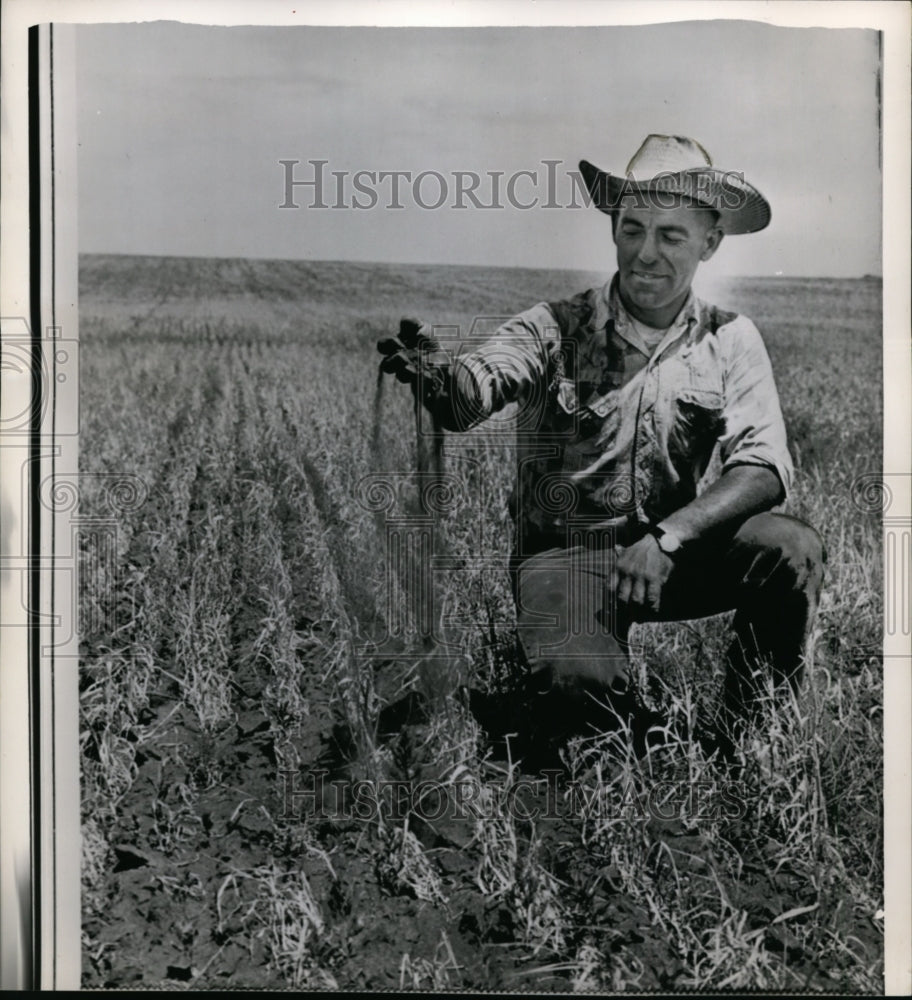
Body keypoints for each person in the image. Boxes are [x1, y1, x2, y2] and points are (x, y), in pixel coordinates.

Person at [377, 134, 825, 756]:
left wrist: (669, 538)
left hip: (671, 554)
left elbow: (764, 467)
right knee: (580, 701)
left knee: (789, 547)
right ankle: (619, 720)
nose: (646, 253)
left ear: (710, 242)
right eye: (632, 229)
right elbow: (470, 394)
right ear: (614, 228)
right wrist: (440, 378)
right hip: (566, 558)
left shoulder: (732, 339)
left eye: (671, 235)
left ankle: (747, 738)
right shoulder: (554, 326)